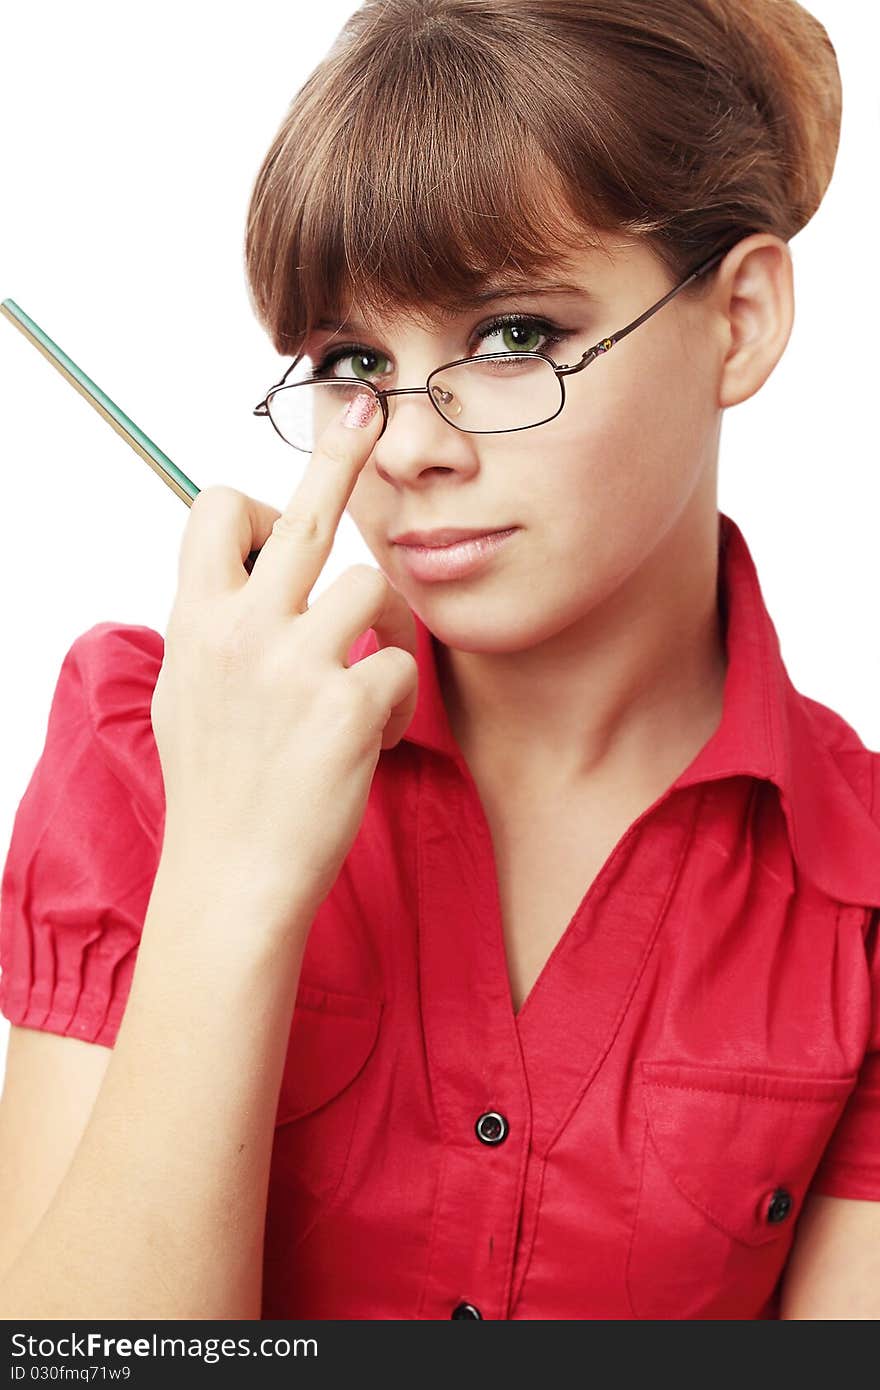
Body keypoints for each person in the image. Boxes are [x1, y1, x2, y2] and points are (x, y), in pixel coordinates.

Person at [0, 0, 877, 1321]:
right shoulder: (154, 741)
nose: (408, 446)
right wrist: (226, 876)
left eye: (514, 335)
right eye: (355, 360)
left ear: (740, 318)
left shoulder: (857, 894)